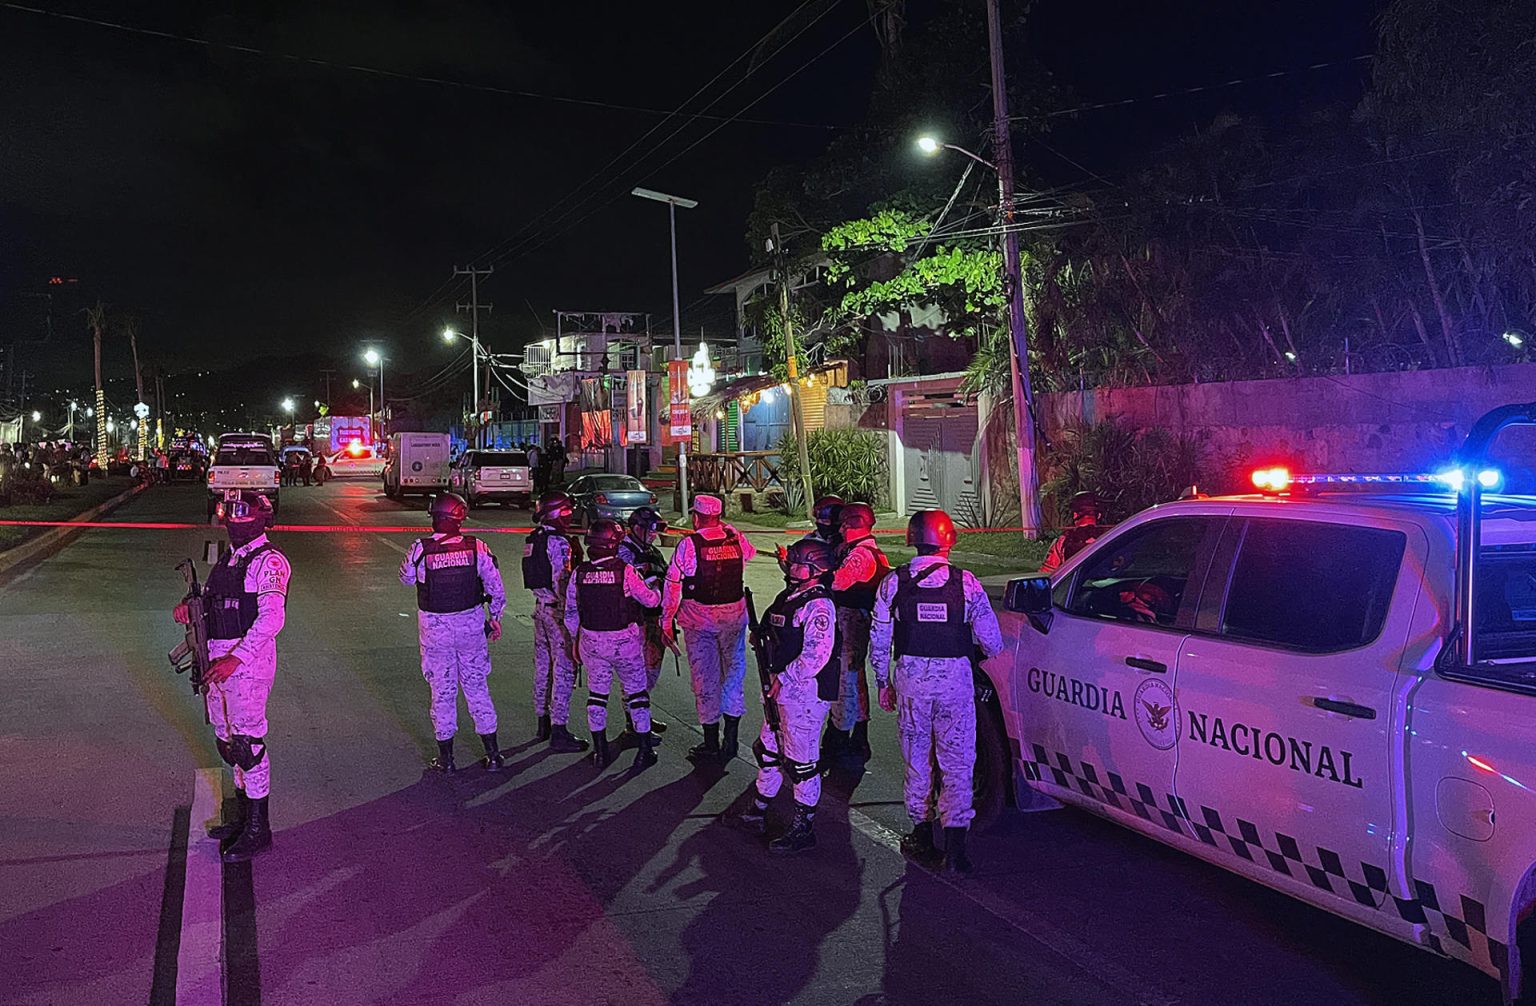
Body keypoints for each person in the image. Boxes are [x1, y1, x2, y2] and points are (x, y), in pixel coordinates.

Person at [870, 509, 1004, 875]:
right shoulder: (967, 583)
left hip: (912, 685)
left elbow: (879, 642)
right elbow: (992, 642)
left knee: (917, 760)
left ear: (913, 539)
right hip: (956, 686)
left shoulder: (893, 583)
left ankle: (922, 836)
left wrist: (883, 683)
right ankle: (957, 850)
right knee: (958, 762)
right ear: (948, 539)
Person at [173, 490, 291, 863]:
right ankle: (242, 816)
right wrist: (189, 610)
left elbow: (272, 618)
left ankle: (259, 828)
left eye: (242, 514)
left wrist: (236, 659)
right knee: (226, 741)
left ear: (260, 519)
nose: (233, 520)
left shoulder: (268, 561)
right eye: (229, 512)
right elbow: (215, 600)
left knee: (247, 744)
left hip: (246, 664)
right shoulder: (230, 558)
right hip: (217, 660)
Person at [737, 538, 840, 853]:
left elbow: (817, 655)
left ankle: (803, 826)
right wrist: (761, 636)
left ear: (816, 569)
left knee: (801, 761)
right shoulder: (790, 596)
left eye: (797, 563)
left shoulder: (819, 604)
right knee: (768, 750)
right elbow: (771, 625)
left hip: (805, 694)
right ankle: (759, 806)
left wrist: (785, 677)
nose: (790, 568)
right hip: (779, 689)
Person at [397, 492, 507, 773]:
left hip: (436, 631)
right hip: (471, 627)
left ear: (435, 517)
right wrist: (494, 618)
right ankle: (493, 755)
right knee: (477, 688)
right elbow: (496, 589)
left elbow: (406, 579)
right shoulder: (477, 547)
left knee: (442, 693)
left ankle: (446, 760)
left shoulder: (420, 549)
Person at [662, 493, 755, 763]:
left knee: (705, 681)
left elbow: (673, 586)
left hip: (699, 621)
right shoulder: (735, 539)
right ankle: (732, 741)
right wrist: (730, 530)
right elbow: (748, 553)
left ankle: (711, 743)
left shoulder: (689, 545)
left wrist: (666, 621)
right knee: (733, 677)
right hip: (734, 621)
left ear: (696, 516)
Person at [564, 518, 663, 770]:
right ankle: (644, 750)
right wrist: (658, 589)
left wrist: (578, 640)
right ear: (615, 543)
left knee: (597, 696)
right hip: (625, 644)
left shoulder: (579, 573)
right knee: (637, 695)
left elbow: (571, 613)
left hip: (592, 644)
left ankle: (600, 751)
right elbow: (650, 601)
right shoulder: (625, 571)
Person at [521, 490, 588, 752]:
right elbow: (563, 581)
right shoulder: (558, 543)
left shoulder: (534, 539)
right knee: (564, 670)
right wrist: (574, 617)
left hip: (540, 609)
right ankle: (559, 730)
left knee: (543, 669)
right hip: (558, 612)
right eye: (566, 510)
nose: (569, 514)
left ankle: (543, 722)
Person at [825, 501, 890, 761]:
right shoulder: (857, 550)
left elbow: (838, 583)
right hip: (855, 622)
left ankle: (839, 737)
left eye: (843, 524)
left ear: (853, 524)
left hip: (852, 623)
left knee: (846, 682)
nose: (840, 529)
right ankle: (857, 736)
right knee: (854, 680)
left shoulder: (861, 555)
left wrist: (815, 574)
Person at [617, 506, 670, 736]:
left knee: (650, 672)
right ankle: (635, 723)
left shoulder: (652, 551)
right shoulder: (624, 552)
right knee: (635, 674)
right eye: (651, 530)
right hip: (635, 620)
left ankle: (643, 714)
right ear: (637, 528)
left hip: (654, 618)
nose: (654, 535)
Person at [1040, 491, 1105, 574]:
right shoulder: (1111, 538)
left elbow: (1046, 574)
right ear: (1099, 515)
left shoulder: (1063, 541)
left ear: (1075, 515)